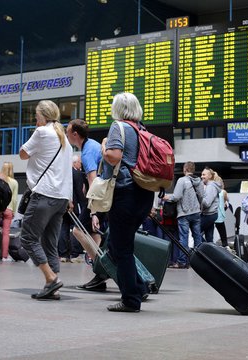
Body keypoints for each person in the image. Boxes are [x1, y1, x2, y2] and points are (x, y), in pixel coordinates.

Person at [101, 92, 154, 312]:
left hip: (125, 193)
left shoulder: (119, 127)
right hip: (144, 193)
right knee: (118, 244)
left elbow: (113, 156)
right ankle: (138, 287)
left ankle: (131, 300)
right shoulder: (143, 130)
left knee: (120, 248)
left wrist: (104, 147)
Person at [19, 100, 72, 301]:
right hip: (61, 197)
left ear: (43, 115)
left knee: (28, 238)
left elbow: (23, 154)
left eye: (36, 115)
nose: (35, 118)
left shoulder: (42, 132)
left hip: (44, 194)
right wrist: (70, 198)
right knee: (50, 242)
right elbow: (67, 170)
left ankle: (51, 278)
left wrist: (37, 130)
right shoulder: (64, 138)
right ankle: (53, 287)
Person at [66, 119, 108, 291]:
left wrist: (94, 211)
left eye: (68, 131)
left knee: (77, 230)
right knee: (93, 234)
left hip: (99, 198)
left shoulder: (87, 151)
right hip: (106, 195)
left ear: (75, 134)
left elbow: (93, 180)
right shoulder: (92, 145)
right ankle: (100, 276)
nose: (66, 134)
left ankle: (102, 268)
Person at [163, 161, 204, 269]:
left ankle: (182, 262)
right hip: (196, 212)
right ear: (193, 169)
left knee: (183, 238)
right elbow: (202, 195)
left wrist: (167, 197)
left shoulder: (182, 180)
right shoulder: (198, 180)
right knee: (197, 237)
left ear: (184, 169)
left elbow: (176, 196)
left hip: (184, 213)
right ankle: (199, 261)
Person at [0, 162, 19, 262]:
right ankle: (5, 256)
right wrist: (13, 210)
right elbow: (14, 199)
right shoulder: (14, 182)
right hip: (9, 209)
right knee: (6, 233)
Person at [200, 167, 222, 243]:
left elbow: (206, 203)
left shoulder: (210, 187)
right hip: (211, 215)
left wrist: (199, 196)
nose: (201, 176)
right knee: (209, 238)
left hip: (208, 215)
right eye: (201, 174)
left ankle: (204, 249)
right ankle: (209, 252)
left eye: (204, 175)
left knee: (195, 233)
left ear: (209, 176)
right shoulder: (211, 186)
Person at [214, 176, 231, 250]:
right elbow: (227, 200)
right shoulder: (223, 192)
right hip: (220, 214)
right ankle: (225, 245)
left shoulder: (213, 190)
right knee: (222, 231)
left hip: (212, 213)